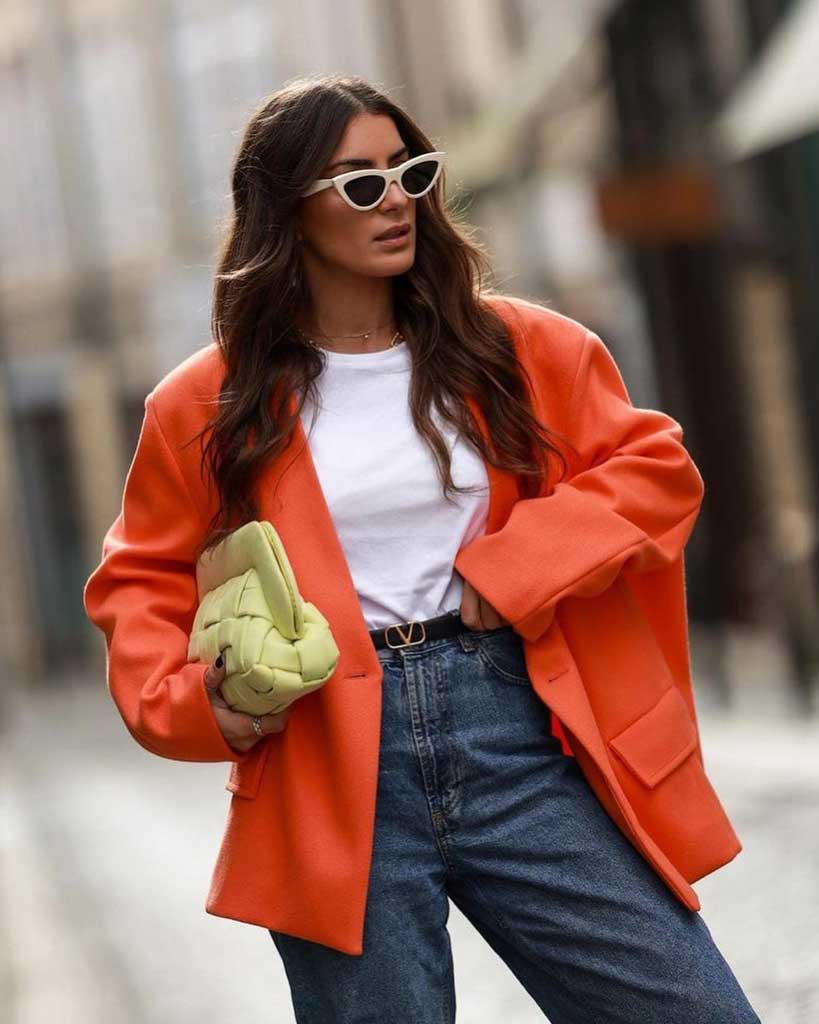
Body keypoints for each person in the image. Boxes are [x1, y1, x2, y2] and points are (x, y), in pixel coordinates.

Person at [83, 73, 760, 1023]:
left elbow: (654, 471)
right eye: (359, 184)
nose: (396, 199)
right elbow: (137, 579)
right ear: (287, 212)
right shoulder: (205, 402)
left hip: (518, 732)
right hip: (330, 761)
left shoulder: (519, 349)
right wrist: (198, 705)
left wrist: (520, 563)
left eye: (409, 171)